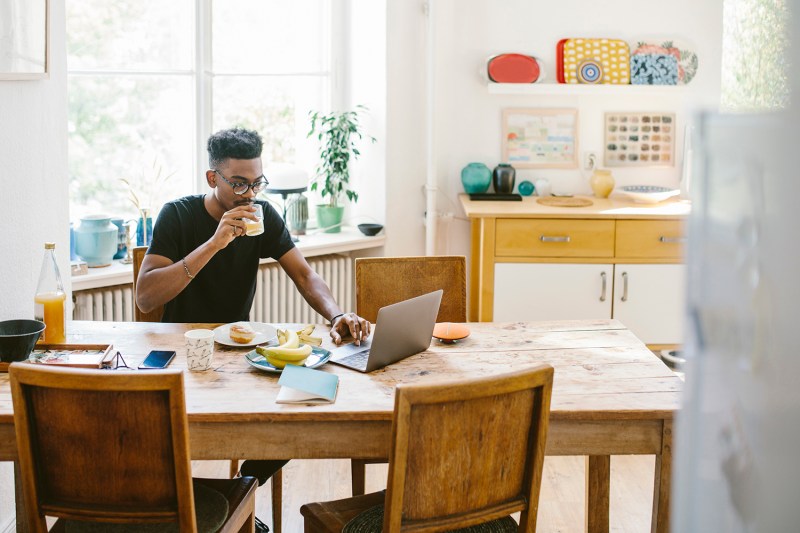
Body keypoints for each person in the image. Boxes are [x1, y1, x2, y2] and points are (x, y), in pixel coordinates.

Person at [135, 127, 371, 526]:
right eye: (239, 183)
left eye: (256, 182)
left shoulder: (264, 215)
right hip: (185, 356)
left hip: (242, 354)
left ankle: (242, 487)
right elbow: (145, 296)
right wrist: (215, 243)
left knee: (309, 403)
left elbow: (304, 275)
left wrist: (336, 314)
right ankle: (199, 508)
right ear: (213, 178)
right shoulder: (177, 214)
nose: (249, 194)